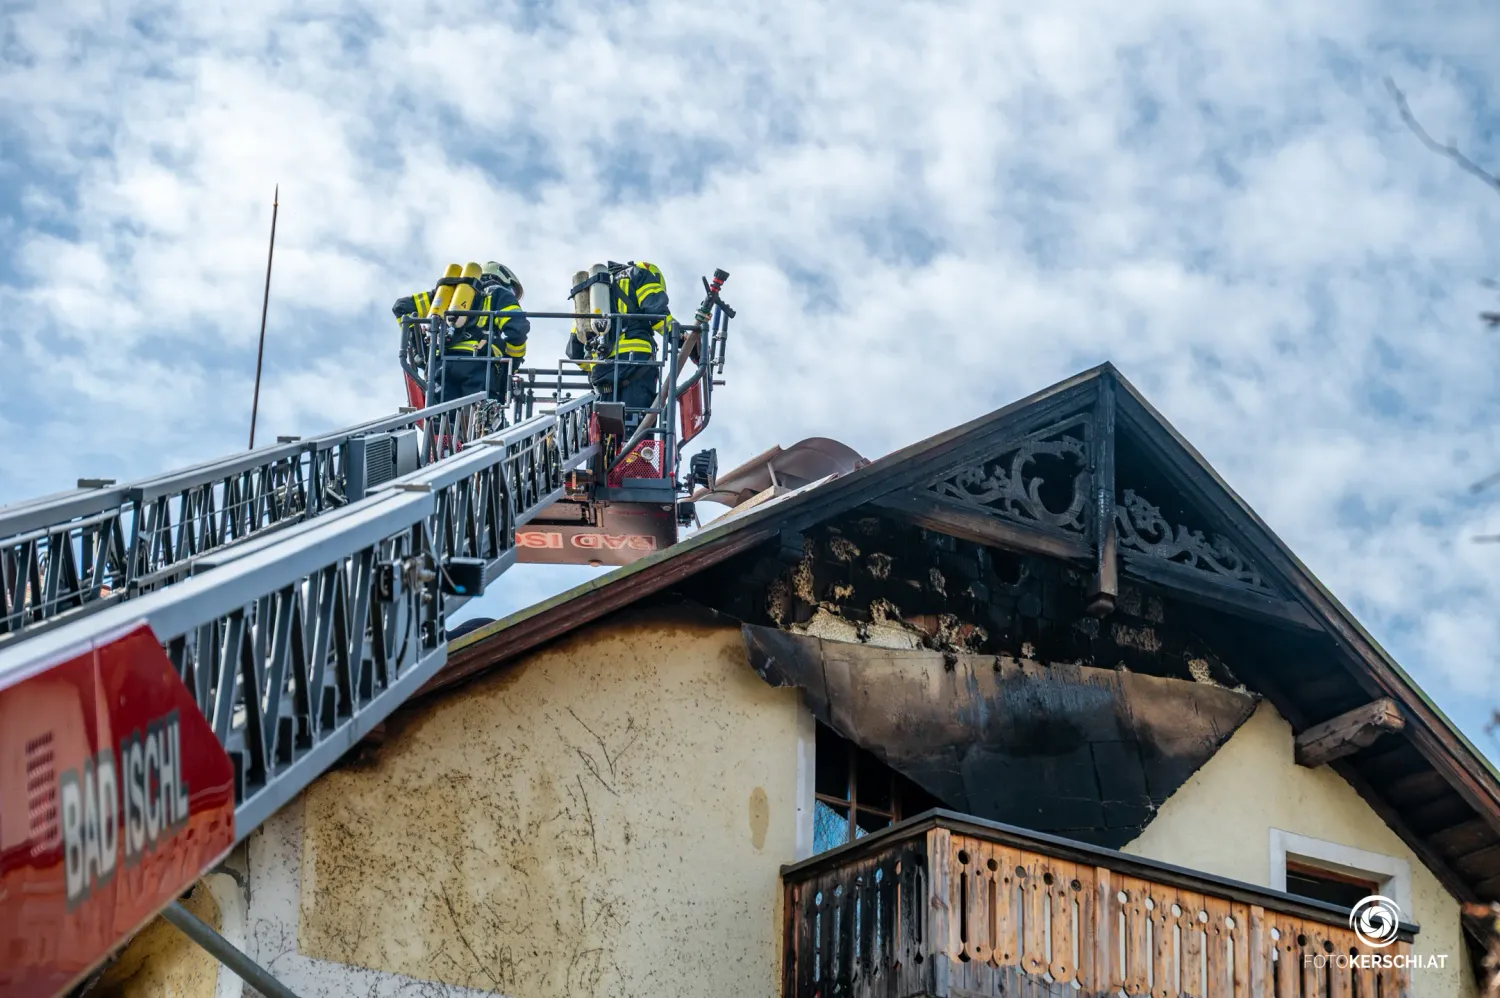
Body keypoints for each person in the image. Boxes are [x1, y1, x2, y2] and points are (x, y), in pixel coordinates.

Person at [394, 261, 529, 403]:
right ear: (502, 279)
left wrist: (420, 348)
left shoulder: (447, 295)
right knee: (481, 418)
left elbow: (401, 307)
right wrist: (510, 366)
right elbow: (517, 329)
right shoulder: (498, 293)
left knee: (441, 417)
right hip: (479, 363)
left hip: (440, 364)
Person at [567, 260, 676, 428]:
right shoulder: (640, 275)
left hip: (602, 380)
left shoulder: (593, 297)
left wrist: (599, 366)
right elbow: (657, 315)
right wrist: (681, 336)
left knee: (604, 437)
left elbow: (575, 352)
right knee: (637, 433)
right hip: (637, 368)